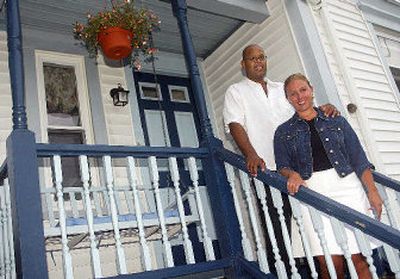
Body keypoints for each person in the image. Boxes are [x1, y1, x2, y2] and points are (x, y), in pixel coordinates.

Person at [223, 44, 339, 274]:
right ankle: (286, 272)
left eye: (261, 57)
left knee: (309, 223)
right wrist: (251, 154)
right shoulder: (236, 91)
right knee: (278, 227)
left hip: (301, 168)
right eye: (252, 59)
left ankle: (319, 270)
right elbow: (235, 124)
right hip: (267, 171)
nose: (258, 62)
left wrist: (324, 108)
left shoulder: (281, 89)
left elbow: (302, 108)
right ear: (242, 64)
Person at [273, 73, 383, 279]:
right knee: (330, 265)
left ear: (311, 89)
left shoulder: (336, 120)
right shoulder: (282, 132)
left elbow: (359, 158)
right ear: (288, 98)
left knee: (360, 259)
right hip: (311, 193)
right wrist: (292, 174)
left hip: (348, 189)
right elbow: (282, 166)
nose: (299, 96)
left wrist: (373, 192)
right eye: (293, 94)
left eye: (303, 90)